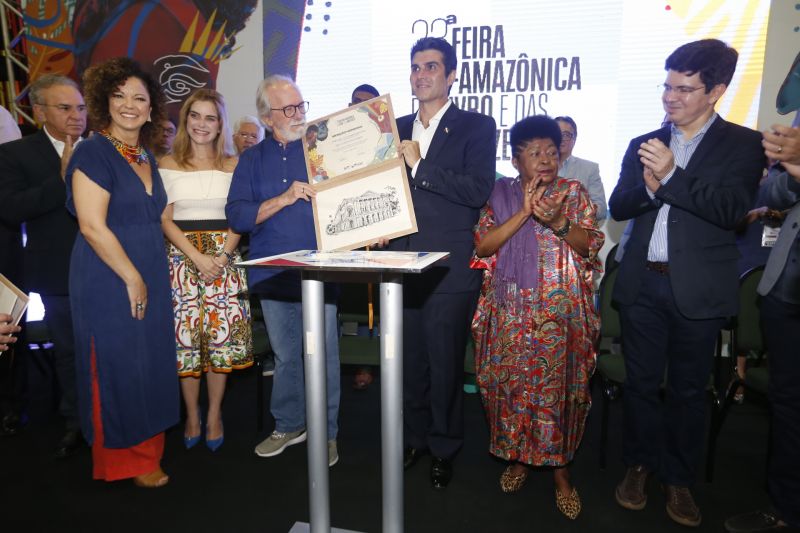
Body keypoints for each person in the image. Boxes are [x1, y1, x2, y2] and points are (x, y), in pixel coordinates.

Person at [608, 39, 765, 527]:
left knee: (688, 392)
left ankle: (678, 480)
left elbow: (731, 210)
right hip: (642, 285)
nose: (670, 98)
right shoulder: (646, 141)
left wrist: (672, 177)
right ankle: (639, 465)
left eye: (684, 88)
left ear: (716, 90)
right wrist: (651, 191)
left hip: (697, 291)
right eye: (667, 85)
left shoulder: (742, 145)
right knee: (640, 385)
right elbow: (619, 205)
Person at [471, 115, 602, 518]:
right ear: (516, 161)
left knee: (557, 394)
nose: (546, 159)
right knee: (511, 389)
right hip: (510, 315)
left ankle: (561, 472)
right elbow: (483, 248)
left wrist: (558, 222)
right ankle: (519, 457)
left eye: (551, 151)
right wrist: (525, 213)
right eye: (534, 153)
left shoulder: (573, 193)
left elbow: (591, 246)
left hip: (560, 318)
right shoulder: (499, 195)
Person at [388, 37, 496, 490]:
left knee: (446, 361)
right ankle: (413, 438)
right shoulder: (390, 126)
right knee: (408, 362)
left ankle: (445, 445)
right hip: (397, 260)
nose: (421, 74)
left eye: (431, 66)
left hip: (450, 267)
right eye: (415, 67)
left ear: (451, 75)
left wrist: (421, 165)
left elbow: (477, 191)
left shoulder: (476, 125)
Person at [66, 57, 178, 488]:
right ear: (104, 102)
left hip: (148, 267)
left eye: (139, 98)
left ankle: (148, 452)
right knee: (116, 364)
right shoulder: (93, 151)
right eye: (120, 96)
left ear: (151, 109)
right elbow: (92, 225)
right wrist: (132, 278)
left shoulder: (146, 154)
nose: (129, 105)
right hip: (108, 274)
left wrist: (147, 275)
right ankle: (122, 461)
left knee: (148, 363)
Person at [226, 75, 341, 467]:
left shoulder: (323, 150)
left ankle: (326, 432)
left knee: (323, 355)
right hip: (273, 272)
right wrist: (285, 197)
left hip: (321, 271)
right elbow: (238, 215)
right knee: (286, 356)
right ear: (265, 115)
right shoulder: (252, 159)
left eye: (300, 106)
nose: (297, 115)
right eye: (287, 109)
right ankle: (289, 424)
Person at [724, 53, 800, 533]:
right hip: (788, 290)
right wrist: (788, 169)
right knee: (790, 408)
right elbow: (772, 195)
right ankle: (785, 509)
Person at [160, 89, 252, 452]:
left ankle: (214, 413)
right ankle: (192, 415)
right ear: (186, 120)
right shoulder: (166, 164)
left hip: (225, 264)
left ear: (220, 124)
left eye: (210, 118)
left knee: (220, 343)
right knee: (188, 346)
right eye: (195, 116)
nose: (201, 124)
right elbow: (164, 220)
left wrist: (222, 256)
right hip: (181, 264)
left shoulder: (235, 165)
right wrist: (197, 258)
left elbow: (241, 217)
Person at [0, 74, 86, 456]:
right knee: (69, 350)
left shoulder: (104, 148)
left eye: (81, 108)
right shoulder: (17, 154)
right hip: (57, 271)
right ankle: (77, 423)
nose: (75, 116)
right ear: (39, 111)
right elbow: (13, 208)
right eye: (65, 108)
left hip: (109, 267)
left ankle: (113, 418)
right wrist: (61, 178)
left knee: (108, 348)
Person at [347, 82, 380, 391]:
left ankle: (377, 360)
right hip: (345, 235)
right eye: (356, 102)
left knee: (380, 301)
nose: (360, 107)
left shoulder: (386, 144)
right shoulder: (333, 145)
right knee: (352, 301)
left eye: (368, 104)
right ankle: (357, 360)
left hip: (381, 235)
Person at [555, 115, 608, 220]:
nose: (561, 139)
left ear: (574, 139)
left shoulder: (590, 169)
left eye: (566, 135)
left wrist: (583, 208)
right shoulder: (537, 167)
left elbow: (601, 210)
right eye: (556, 134)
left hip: (575, 233)